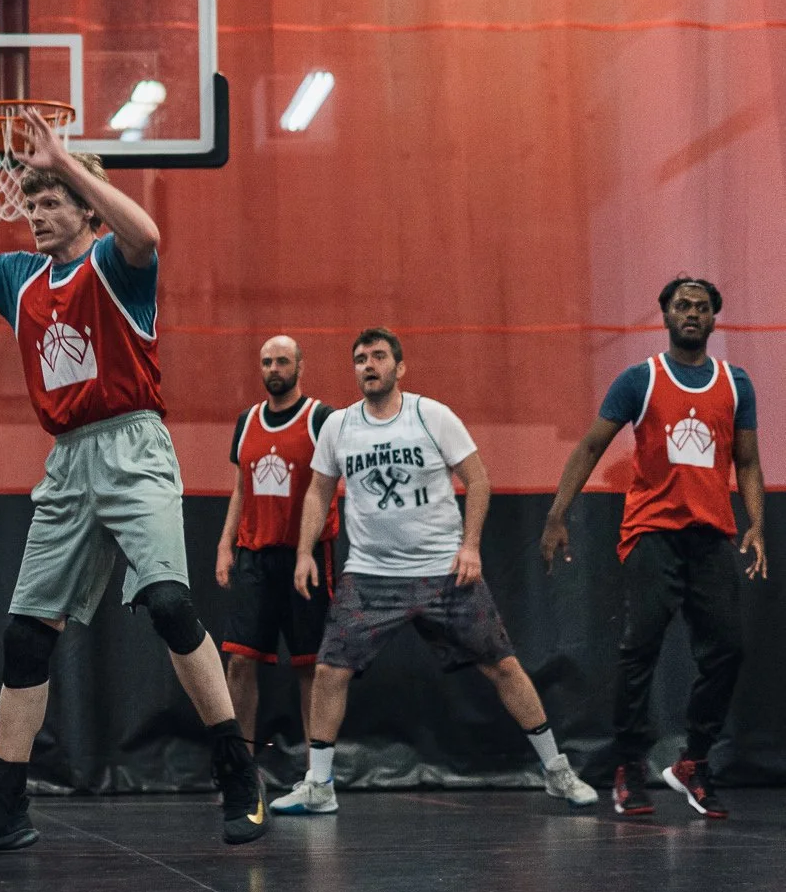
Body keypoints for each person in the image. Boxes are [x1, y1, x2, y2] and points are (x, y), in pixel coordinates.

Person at [0, 113, 268, 852]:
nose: (36, 213)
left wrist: (68, 165)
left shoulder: (115, 263)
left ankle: (237, 767)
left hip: (135, 444)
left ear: (83, 206)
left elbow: (147, 234)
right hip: (69, 460)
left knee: (170, 602)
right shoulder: (18, 277)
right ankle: (5, 803)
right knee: (24, 637)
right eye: (32, 201)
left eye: (49, 201)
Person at [284, 327, 596, 814]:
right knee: (329, 670)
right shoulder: (338, 426)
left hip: (442, 573)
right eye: (361, 358)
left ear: (399, 367)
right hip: (370, 576)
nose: (369, 365)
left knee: (503, 666)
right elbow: (318, 491)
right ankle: (320, 787)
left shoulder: (432, 416)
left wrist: (470, 546)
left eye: (379, 356)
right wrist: (304, 551)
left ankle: (556, 770)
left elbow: (477, 478)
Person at [541, 276, 765, 819]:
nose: (692, 312)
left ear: (714, 320)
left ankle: (694, 762)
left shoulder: (736, 384)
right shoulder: (640, 379)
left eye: (702, 306)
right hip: (652, 534)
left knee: (728, 650)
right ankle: (629, 765)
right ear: (665, 315)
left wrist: (756, 525)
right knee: (640, 650)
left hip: (712, 535)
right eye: (682, 305)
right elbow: (592, 444)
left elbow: (749, 463)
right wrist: (557, 512)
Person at [214, 335, 339, 811]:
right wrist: (226, 545)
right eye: (266, 361)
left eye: (282, 360)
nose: (273, 368)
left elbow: (329, 484)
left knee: (311, 668)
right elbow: (241, 488)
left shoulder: (321, 418)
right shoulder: (247, 421)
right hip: (254, 557)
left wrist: (309, 548)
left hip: (305, 557)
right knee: (240, 663)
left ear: (300, 366)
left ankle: (318, 779)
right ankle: (240, 774)